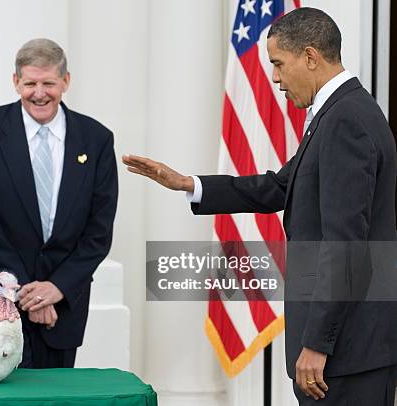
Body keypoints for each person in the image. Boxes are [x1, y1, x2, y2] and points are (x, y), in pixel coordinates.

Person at [123, 8, 396, 405]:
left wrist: (319, 343)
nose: (275, 78)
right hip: (350, 348)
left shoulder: (345, 120)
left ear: (310, 56)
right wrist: (189, 184)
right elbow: (281, 186)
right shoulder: (340, 113)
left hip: (347, 353)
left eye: (278, 64)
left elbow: (344, 246)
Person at [0, 38, 118, 368]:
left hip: (62, 309)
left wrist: (56, 287)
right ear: (15, 81)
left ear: (66, 81)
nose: (39, 93)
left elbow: (98, 231)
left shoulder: (97, 139)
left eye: (49, 83)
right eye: (30, 83)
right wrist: (27, 293)